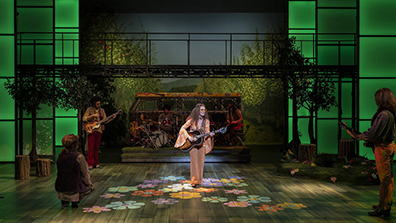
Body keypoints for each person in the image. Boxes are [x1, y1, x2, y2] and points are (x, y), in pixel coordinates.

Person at [347, 88, 396, 217]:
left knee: (385, 179)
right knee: (388, 178)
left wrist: (359, 136)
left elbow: (373, 134)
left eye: (377, 98)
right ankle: (385, 203)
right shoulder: (390, 113)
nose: (375, 100)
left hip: (383, 148)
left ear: (382, 99)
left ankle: (384, 208)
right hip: (389, 146)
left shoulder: (384, 114)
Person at [174, 103, 215, 187]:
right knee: (194, 160)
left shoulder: (206, 121)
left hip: (202, 142)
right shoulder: (192, 119)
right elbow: (182, 128)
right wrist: (188, 137)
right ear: (198, 110)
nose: (203, 111)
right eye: (201, 110)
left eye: (204, 110)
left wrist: (210, 134)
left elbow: (207, 132)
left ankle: (199, 180)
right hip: (193, 143)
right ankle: (194, 180)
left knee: (201, 161)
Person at [55, 134, 94, 209]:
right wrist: (89, 184)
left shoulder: (60, 155)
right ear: (75, 144)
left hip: (60, 187)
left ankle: (64, 200)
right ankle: (75, 200)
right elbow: (85, 173)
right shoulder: (79, 157)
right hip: (75, 187)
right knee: (89, 187)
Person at [83, 96, 116, 170]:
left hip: (99, 130)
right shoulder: (89, 110)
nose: (99, 103)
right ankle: (90, 164)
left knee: (96, 148)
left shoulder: (102, 111)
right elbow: (84, 118)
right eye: (97, 101)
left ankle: (96, 163)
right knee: (91, 148)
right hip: (91, 130)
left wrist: (112, 118)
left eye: (99, 102)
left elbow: (105, 120)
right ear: (94, 102)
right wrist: (93, 115)